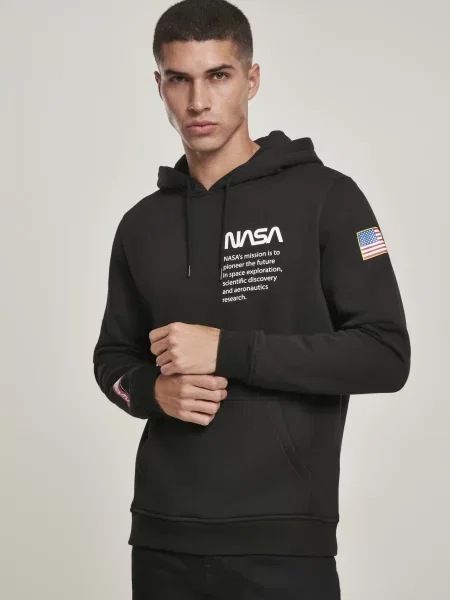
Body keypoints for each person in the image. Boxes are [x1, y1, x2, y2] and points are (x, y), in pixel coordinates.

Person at [92, 1, 411, 598]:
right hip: (162, 538)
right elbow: (111, 359)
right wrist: (152, 392)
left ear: (252, 79)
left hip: (282, 541)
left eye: (218, 75)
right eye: (179, 79)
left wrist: (228, 350)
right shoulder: (141, 225)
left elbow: (385, 355)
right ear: (159, 86)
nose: (198, 101)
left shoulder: (328, 199)